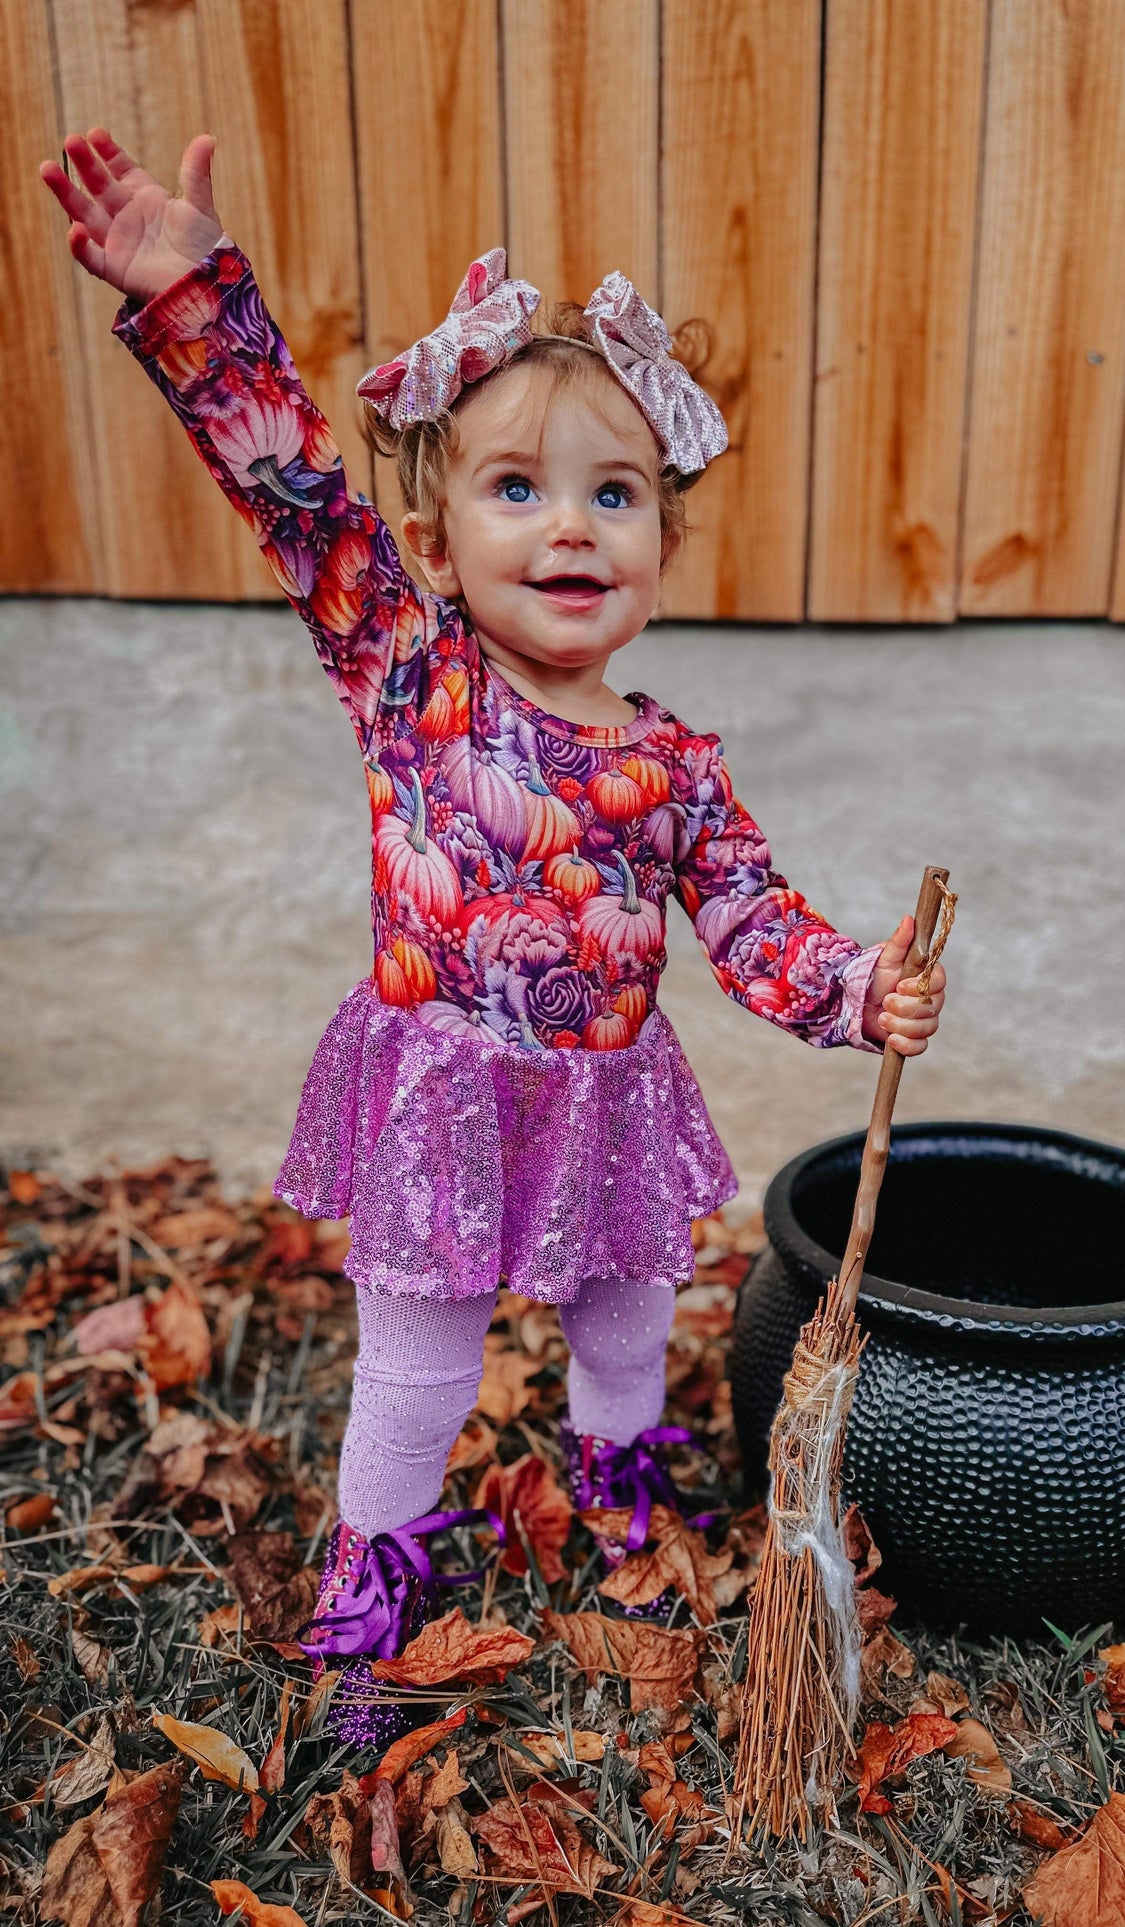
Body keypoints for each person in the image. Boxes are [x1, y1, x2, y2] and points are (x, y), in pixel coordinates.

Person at [41, 127, 948, 1735]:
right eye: (514, 489)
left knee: (623, 1318)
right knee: (423, 1363)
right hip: (442, 1097)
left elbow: (748, 918)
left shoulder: (670, 762)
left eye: (615, 494)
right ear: (443, 533)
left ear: (665, 550)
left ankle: (619, 1506)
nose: (569, 531)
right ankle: (372, 1582)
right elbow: (291, 485)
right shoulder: (409, 676)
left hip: (603, 1093)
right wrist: (191, 297)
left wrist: (856, 985)